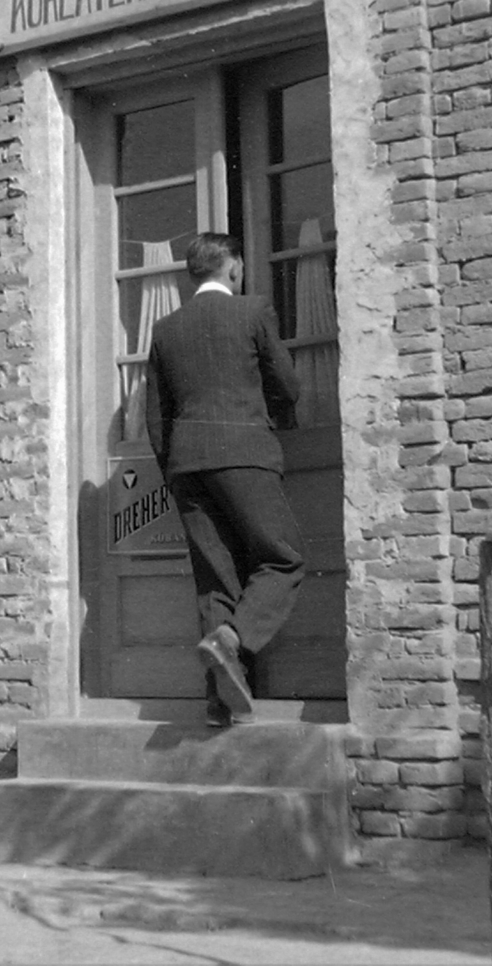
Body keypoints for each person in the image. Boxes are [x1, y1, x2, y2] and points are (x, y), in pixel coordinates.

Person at [145, 232, 308, 727]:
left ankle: (221, 706)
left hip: (186, 465)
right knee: (283, 559)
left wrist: (174, 472)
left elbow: (157, 416)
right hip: (244, 452)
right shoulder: (253, 311)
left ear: (192, 274)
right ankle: (232, 640)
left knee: (217, 579)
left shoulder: (165, 329)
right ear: (234, 267)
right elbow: (288, 385)